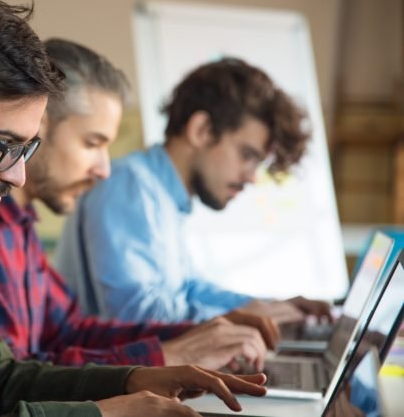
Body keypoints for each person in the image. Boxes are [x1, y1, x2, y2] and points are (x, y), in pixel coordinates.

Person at [0, 0, 268, 417]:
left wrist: (132, 380)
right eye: (3, 146)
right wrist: (104, 414)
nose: (17, 175)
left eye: (26, 149)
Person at [0, 39, 279, 373]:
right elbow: (6, 380)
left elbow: (69, 332)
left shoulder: (20, 226)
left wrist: (200, 336)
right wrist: (172, 356)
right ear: (37, 128)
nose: (104, 169)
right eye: (92, 143)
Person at [55, 58, 332, 326]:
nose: (251, 177)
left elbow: (187, 289)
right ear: (202, 130)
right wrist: (244, 318)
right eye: (246, 155)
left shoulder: (164, 196)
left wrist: (270, 308)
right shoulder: (129, 186)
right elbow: (139, 317)